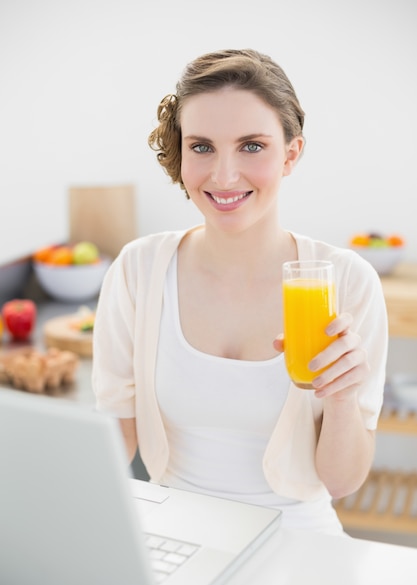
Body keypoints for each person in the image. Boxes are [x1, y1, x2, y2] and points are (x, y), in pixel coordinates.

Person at [92, 48, 388, 534]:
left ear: (291, 154)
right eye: (202, 146)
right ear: (181, 152)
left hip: (300, 543)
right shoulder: (139, 270)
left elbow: (342, 481)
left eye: (252, 146)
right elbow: (112, 443)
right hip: (173, 536)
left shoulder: (345, 281)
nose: (224, 176)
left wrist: (340, 399)